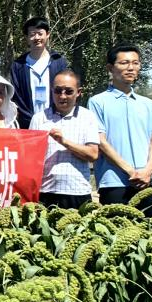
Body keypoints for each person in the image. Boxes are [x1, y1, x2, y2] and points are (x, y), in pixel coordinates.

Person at [90, 45, 152, 216]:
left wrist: (147, 171)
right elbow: (101, 141)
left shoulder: (148, 104)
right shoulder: (97, 102)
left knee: (148, 229)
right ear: (110, 68)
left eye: (135, 63)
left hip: (147, 181)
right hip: (114, 182)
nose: (131, 68)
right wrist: (131, 171)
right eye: (124, 63)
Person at [29, 70, 102, 210]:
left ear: (78, 92)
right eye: (58, 91)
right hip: (46, 191)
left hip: (77, 192)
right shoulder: (39, 119)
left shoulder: (88, 117)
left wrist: (64, 142)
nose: (62, 96)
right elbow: (31, 158)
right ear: (52, 91)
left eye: (68, 91)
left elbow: (93, 154)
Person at [10, 18, 69, 129]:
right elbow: (17, 96)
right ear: (27, 38)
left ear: (47, 35)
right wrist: (31, 119)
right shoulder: (18, 65)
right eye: (32, 34)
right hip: (28, 124)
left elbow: (65, 91)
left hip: (56, 121)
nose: (37, 38)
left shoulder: (58, 62)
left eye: (40, 34)